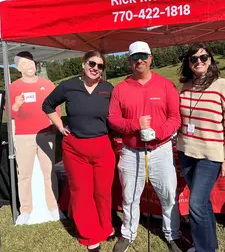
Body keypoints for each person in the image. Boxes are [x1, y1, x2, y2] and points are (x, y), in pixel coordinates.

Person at [109, 41, 183, 252]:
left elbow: (175, 117)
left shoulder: (165, 85)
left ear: (150, 58)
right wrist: (134, 126)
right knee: (130, 197)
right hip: (131, 152)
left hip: (161, 150)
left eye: (143, 56)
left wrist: (158, 133)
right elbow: (113, 119)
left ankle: (172, 234)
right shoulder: (120, 89)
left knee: (168, 195)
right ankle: (128, 234)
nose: (139, 60)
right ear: (129, 61)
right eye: (134, 57)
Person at [42, 51, 115, 252]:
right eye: (92, 63)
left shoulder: (108, 88)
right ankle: (89, 235)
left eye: (100, 66)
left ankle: (106, 227)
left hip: (102, 147)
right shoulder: (68, 85)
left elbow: (117, 114)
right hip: (75, 148)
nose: (95, 68)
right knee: (82, 193)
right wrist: (59, 126)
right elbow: (47, 105)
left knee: (102, 192)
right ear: (83, 64)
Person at [177, 43, 225, 252]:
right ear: (189, 63)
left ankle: (204, 249)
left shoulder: (223, 85)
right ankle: (210, 245)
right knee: (202, 203)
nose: (199, 62)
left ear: (210, 60)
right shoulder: (185, 86)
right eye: (194, 59)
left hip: (210, 156)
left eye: (203, 58)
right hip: (185, 151)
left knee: (195, 204)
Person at [10, 51, 60, 225]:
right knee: (24, 174)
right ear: (18, 68)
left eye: (31, 62)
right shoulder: (13, 87)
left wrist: (56, 125)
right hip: (23, 136)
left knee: (49, 172)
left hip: (46, 133)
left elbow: (56, 107)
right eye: (24, 63)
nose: (29, 66)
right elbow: (8, 113)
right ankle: (25, 210)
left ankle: (53, 207)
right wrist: (15, 105)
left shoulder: (47, 84)